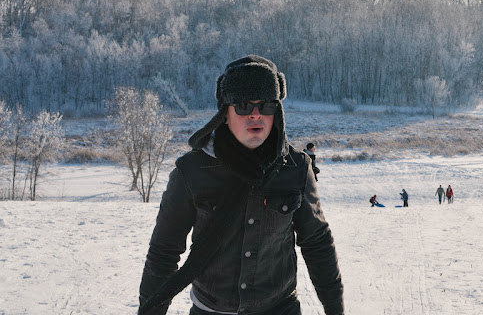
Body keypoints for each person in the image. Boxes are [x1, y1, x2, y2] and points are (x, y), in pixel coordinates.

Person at [138, 55, 344, 315]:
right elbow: (164, 252)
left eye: (266, 105)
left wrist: (335, 309)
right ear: (224, 113)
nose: (256, 115)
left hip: (280, 309)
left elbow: (317, 242)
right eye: (244, 105)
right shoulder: (191, 171)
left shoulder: (296, 167)